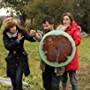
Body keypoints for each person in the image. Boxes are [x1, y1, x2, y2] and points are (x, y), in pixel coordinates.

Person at [2, 17, 40, 90]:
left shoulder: (21, 32)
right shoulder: (5, 35)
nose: (13, 28)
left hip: (21, 58)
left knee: (18, 79)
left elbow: (30, 38)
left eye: (14, 26)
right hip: (11, 59)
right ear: (8, 28)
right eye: (11, 27)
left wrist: (34, 35)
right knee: (13, 81)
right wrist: (17, 41)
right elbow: (7, 46)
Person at [56, 12, 81, 90]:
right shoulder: (60, 29)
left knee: (73, 80)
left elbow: (78, 40)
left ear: (70, 20)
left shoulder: (75, 29)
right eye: (64, 19)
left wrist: (69, 45)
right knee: (63, 79)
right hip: (62, 57)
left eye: (67, 19)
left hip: (71, 57)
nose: (65, 21)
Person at [40, 16, 65, 90]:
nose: (45, 28)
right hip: (46, 66)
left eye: (47, 26)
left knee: (54, 87)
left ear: (52, 25)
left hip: (56, 67)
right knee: (46, 86)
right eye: (44, 26)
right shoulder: (45, 35)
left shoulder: (59, 35)